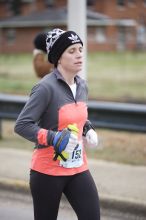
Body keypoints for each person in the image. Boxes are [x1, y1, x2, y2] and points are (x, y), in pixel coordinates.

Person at [14, 28, 100, 220]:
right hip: (47, 171)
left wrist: (87, 128)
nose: (79, 55)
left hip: (78, 168)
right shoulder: (45, 87)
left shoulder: (82, 85)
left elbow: (76, 117)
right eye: (72, 51)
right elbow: (22, 124)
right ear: (58, 58)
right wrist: (54, 138)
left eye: (80, 49)